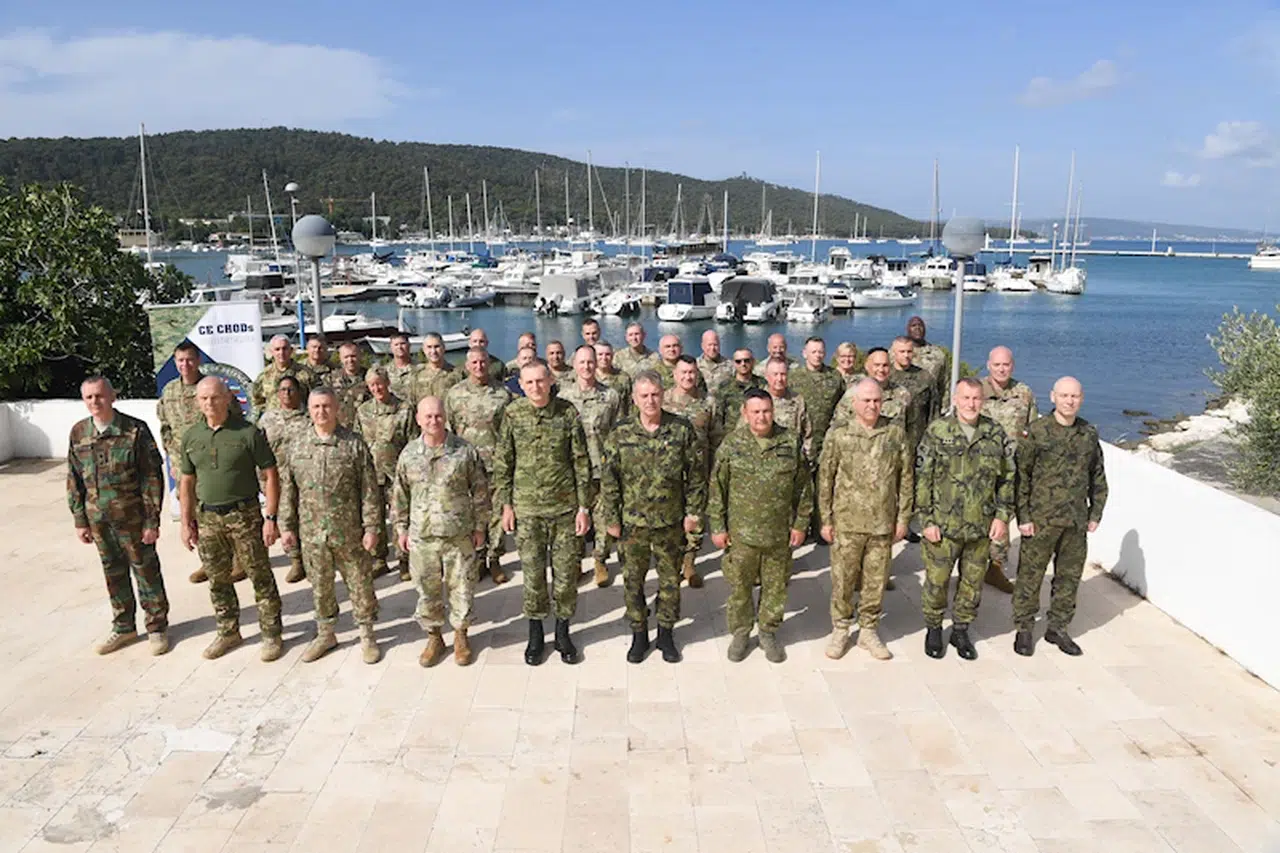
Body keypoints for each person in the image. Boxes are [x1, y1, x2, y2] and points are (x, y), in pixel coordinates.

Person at [602, 371, 705, 664]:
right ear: (634, 399)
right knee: (633, 581)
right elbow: (610, 480)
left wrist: (693, 512)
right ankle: (638, 633)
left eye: (655, 395)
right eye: (644, 395)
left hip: (669, 522)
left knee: (670, 581)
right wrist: (611, 518)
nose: (650, 401)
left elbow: (696, 476)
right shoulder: (620, 433)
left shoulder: (681, 430)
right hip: (632, 523)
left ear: (663, 395)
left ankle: (666, 632)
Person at [179, 377, 284, 662]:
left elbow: (271, 475)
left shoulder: (248, 433)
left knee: (259, 575)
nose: (209, 403)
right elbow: (186, 483)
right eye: (203, 399)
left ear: (227, 398)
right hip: (208, 518)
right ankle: (228, 631)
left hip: (245, 515)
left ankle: (272, 633)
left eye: (214, 397)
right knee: (217, 579)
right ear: (197, 402)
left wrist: (271, 517)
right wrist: (185, 522)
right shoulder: (191, 437)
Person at [494, 361, 592, 666]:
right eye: (529, 382)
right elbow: (503, 462)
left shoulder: (567, 413)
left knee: (564, 578)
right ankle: (535, 634)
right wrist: (506, 505)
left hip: (564, 511)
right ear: (521, 385)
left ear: (551, 380)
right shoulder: (512, 415)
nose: (536, 387)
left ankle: (563, 633)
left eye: (541, 380)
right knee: (533, 577)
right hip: (527, 511)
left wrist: (584, 507)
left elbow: (581, 463)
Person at [67, 376, 169, 655]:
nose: (94, 402)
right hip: (98, 520)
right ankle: (124, 626)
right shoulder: (78, 433)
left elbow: (152, 478)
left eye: (99, 396)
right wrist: (80, 520)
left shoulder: (135, 430)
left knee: (145, 570)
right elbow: (74, 479)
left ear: (113, 396)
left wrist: (152, 520)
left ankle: (157, 626)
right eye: (89, 397)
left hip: (133, 518)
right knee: (113, 573)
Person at [280, 387, 382, 665]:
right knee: (320, 586)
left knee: (360, 583)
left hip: (349, 532)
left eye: (326, 406)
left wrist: (371, 527)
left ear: (336, 409)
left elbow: (369, 490)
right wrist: (286, 527)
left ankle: (367, 634)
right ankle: (326, 634)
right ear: (309, 410)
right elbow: (288, 490)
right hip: (312, 534)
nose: (321, 412)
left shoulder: (354, 443)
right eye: (315, 407)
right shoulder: (298, 445)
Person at [709, 389, 812, 663]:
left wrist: (801, 524)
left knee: (775, 587)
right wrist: (718, 527)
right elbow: (717, 488)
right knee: (740, 587)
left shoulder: (789, 441)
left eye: (766, 411)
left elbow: (803, 488)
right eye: (755, 412)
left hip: (778, 534)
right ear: (745, 413)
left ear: (773, 411)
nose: (761, 417)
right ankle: (741, 633)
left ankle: (768, 631)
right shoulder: (732, 444)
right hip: (741, 534)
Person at [915, 378, 1014, 662]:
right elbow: (923, 478)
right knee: (937, 580)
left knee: (972, 583)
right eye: (966, 398)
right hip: (943, 525)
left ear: (983, 401)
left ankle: (961, 629)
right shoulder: (937, 431)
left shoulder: (994, 433)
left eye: (976, 398)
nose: (971, 404)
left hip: (980, 526)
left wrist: (1003, 516)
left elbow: (1008, 477)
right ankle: (934, 628)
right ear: (956, 399)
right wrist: (926, 520)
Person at [817, 378, 913, 661]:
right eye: (866, 401)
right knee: (843, 580)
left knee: (876, 581)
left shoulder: (894, 433)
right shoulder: (839, 434)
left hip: (882, 522)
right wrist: (825, 519)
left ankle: (869, 630)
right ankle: (841, 628)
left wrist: (903, 518)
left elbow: (906, 477)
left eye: (876, 401)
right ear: (854, 403)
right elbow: (825, 478)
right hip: (847, 522)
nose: (872, 405)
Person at [1012, 377, 1108, 657]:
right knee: (1030, 576)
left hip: (1075, 521)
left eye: (1074, 396)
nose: (1069, 401)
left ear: (1081, 398)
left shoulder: (1088, 434)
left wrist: (1096, 512)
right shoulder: (1036, 432)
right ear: (1053, 397)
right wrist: (1024, 516)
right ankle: (1025, 629)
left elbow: (1098, 476)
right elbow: (1022, 477)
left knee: (1068, 578)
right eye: (1064, 395)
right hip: (1041, 521)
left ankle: (1058, 628)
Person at [395, 397, 491, 667]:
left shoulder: (464, 451)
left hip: (458, 535)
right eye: (428, 417)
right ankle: (434, 636)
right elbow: (400, 495)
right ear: (418, 419)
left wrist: (480, 527)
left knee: (462, 588)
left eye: (438, 416)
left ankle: (461, 635)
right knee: (427, 590)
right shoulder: (409, 454)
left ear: (445, 417)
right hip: (422, 536)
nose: (433, 421)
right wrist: (401, 529)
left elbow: (481, 491)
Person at [157, 340, 229, 584]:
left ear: (198, 361)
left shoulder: (210, 387)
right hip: (184, 465)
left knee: (222, 509)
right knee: (195, 514)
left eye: (189, 359)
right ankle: (209, 561)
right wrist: (172, 454)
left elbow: (229, 421)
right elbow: (165, 426)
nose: (185, 365)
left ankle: (236, 558)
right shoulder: (169, 392)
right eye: (180, 360)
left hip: (212, 462)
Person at [445, 347, 515, 584]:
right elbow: (450, 430)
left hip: (496, 464)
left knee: (495, 515)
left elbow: (508, 432)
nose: (479, 366)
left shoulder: (503, 394)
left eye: (483, 362)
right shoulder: (454, 394)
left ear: (489, 363)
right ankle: (477, 557)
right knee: (471, 514)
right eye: (474, 362)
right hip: (466, 465)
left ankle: (494, 558)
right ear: (467, 366)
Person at [557, 345, 624, 588]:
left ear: (596, 365)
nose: (586, 367)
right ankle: (575, 564)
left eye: (590, 362)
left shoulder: (611, 396)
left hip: (602, 467)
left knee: (604, 518)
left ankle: (600, 560)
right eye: (582, 362)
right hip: (573, 471)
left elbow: (618, 431)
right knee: (575, 519)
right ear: (574, 365)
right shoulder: (563, 397)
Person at [980, 346, 1040, 593]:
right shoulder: (977, 391)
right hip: (981, 468)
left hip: (1012, 469)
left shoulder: (1024, 393)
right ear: (988, 365)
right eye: (997, 365)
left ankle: (995, 567)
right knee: (978, 516)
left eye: (1006, 365)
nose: (1001, 369)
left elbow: (1034, 430)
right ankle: (971, 566)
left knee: (1005, 517)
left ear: (1012, 366)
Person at [355, 367, 418, 579]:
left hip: (397, 474)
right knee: (375, 517)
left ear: (387, 382)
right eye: (372, 385)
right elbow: (358, 441)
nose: (377, 388)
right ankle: (379, 558)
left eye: (380, 383)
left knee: (401, 516)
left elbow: (413, 442)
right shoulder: (363, 411)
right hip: (371, 474)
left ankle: (404, 559)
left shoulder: (404, 408)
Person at [661, 356, 718, 588]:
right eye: (683, 372)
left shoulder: (708, 402)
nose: (688, 377)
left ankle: (690, 562)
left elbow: (716, 437)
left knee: (696, 519)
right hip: (670, 473)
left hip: (698, 472)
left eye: (692, 373)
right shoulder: (663, 399)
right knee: (671, 519)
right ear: (675, 374)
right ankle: (672, 564)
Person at [257, 374, 310, 583]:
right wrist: (261, 479)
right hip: (278, 479)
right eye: (282, 390)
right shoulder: (268, 419)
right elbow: (260, 451)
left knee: (307, 517)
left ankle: (311, 558)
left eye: (291, 390)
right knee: (285, 519)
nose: (286, 394)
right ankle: (296, 560)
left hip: (305, 477)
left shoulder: (309, 417)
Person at [788, 336, 845, 474]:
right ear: (804, 353)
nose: (817, 356)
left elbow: (843, 405)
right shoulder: (793, 377)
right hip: (799, 440)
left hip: (826, 439)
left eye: (820, 352)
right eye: (813, 352)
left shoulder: (834, 377)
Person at [833, 348, 914, 439]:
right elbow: (837, 425)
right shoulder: (853, 392)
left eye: (885, 365)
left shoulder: (902, 394)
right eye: (877, 365)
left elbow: (911, 429)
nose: (881, 369)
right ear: (867, 366)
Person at [750, 357, 813, 462]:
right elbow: (744, 431)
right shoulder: (756, 400)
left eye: (783, 374)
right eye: (775, 374)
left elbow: (808, 434)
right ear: (767, 376)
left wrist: (807, 461)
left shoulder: (797, 400)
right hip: (760, 461)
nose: (779, 379)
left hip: (789, 461)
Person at [252, 335, 315, 414]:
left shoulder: (306, 373)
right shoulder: (265, 375)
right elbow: (256, 400)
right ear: (272, 352)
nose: (281, 352)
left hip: (299, 422)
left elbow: (317, 398)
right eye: (277, 349)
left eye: (284, 348)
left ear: (291, 350)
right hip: (273, 422)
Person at [906, 316, 950, 419]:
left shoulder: (938, 355)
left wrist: (944, 409)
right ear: (907, 329)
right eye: (913, 325)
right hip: (904, 410)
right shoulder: (896, 353)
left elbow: (944, 383)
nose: (917, 328)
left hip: (930, 411)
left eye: (920, 325)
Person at [412, 333, 462, 404]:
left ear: (443, 348)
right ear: (423, 349)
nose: (433, 351)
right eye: (429, 347)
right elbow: (411, 403)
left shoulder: (456, 373)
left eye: (437, 346)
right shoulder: (416, 374)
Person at [331, 342, 372, 428]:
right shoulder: (331, 378)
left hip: (365, 427)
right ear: (340, 358)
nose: (350, 360)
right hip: (339, 430)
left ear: (360, 356)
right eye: (346, 357)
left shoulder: (370, 377)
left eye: (353, 356)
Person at [385, 332, 420, 402]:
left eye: (403, 344)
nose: (399, 347)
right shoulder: (384, 371)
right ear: (391, 347)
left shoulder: (420, 368)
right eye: (396, 344)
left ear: (409, 345)